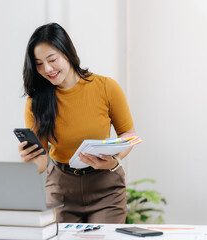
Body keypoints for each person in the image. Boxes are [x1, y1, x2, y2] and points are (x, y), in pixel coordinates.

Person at [18, 22, 136, 223]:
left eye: (52, 59)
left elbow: (129, 134)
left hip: (105, 187)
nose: (47, 69)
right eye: (38, 63)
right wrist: (30, 161)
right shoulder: (36, 103)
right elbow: (41, 160)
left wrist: (114, 158)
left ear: (67, 53)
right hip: (60, 189)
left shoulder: (106, 87)